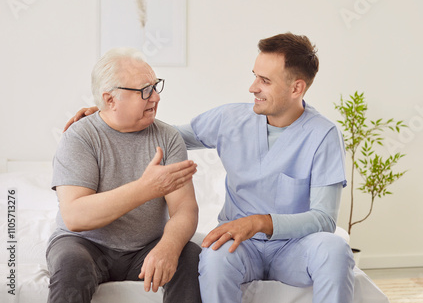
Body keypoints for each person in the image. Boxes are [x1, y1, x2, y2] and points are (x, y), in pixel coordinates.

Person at [66, 33, 355, 303]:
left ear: (297, 88)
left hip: (296, 247)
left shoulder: (323, 135)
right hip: (240, 246)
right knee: (213, 257)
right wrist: (108, 118)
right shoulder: (231, 119)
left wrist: (259, 222)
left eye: (265, 80)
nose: (253, 87)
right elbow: (164, 136)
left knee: (336, 248)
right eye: (254, 76)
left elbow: (323, 220)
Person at [48, 47, 202, 303]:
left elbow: (185, 209)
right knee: (71, 266)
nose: (156, 98)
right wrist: (146, 188)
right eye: (145, 91)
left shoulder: (168, 138)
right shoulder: (79, 137)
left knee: (191, 256)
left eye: (155, 87)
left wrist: (168, 246)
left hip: (146, 247)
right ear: (110, 100)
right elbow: (75, 216)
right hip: (84, 244)